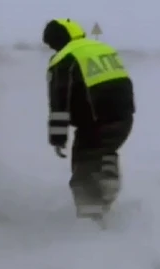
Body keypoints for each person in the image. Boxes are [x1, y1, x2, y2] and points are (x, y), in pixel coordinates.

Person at [42, 18, 135, 219]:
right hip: (124, 119)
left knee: (83, 170)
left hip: (94, 123)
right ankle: (108, 173)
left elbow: (60, 103)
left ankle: (91, 222)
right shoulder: (102, 48)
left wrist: (58, 138)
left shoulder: (63, 59)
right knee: (104, 149)